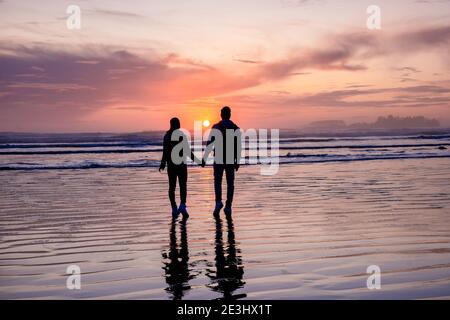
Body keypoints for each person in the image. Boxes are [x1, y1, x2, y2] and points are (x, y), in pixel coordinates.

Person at [159, 117, 204, 219]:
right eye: (178, 123)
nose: (180, 125)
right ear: (176, 124)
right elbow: (187, 151)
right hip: (181, 165)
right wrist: (199, 162)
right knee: (183, 186)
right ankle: (182, 205)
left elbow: (165, 152)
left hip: (171, 165)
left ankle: (174, 208)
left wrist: (162, 163)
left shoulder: (167, 136)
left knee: (172, 187)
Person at [204, 106, 241, 216]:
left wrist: (204, 158)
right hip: (230, 158)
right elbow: (238, 146)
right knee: (230, 183)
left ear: (221, 115)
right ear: (230, 115)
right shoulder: (235, 128)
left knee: (217, 181)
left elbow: (209, 144)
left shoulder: (216, 127)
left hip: (219, 157)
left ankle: (218, 202)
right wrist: (237, 161)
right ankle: (228, 206)